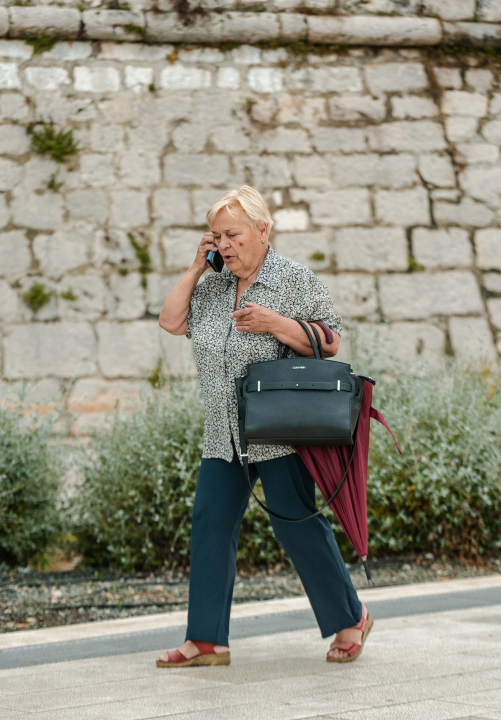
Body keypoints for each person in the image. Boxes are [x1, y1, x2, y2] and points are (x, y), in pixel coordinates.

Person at [157, 186, 372, 667]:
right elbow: (170, 321)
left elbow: (331, 341)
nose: (225, 245)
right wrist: (196, 268)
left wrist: (276, 323)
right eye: (217, 237)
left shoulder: (294, 279)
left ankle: (350, 618)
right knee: (210, 526)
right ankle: (207, 640)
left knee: (295, 525)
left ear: (262, 229)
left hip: (279, 428)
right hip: (223, 431)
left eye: (232, 234)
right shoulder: (211, 287)